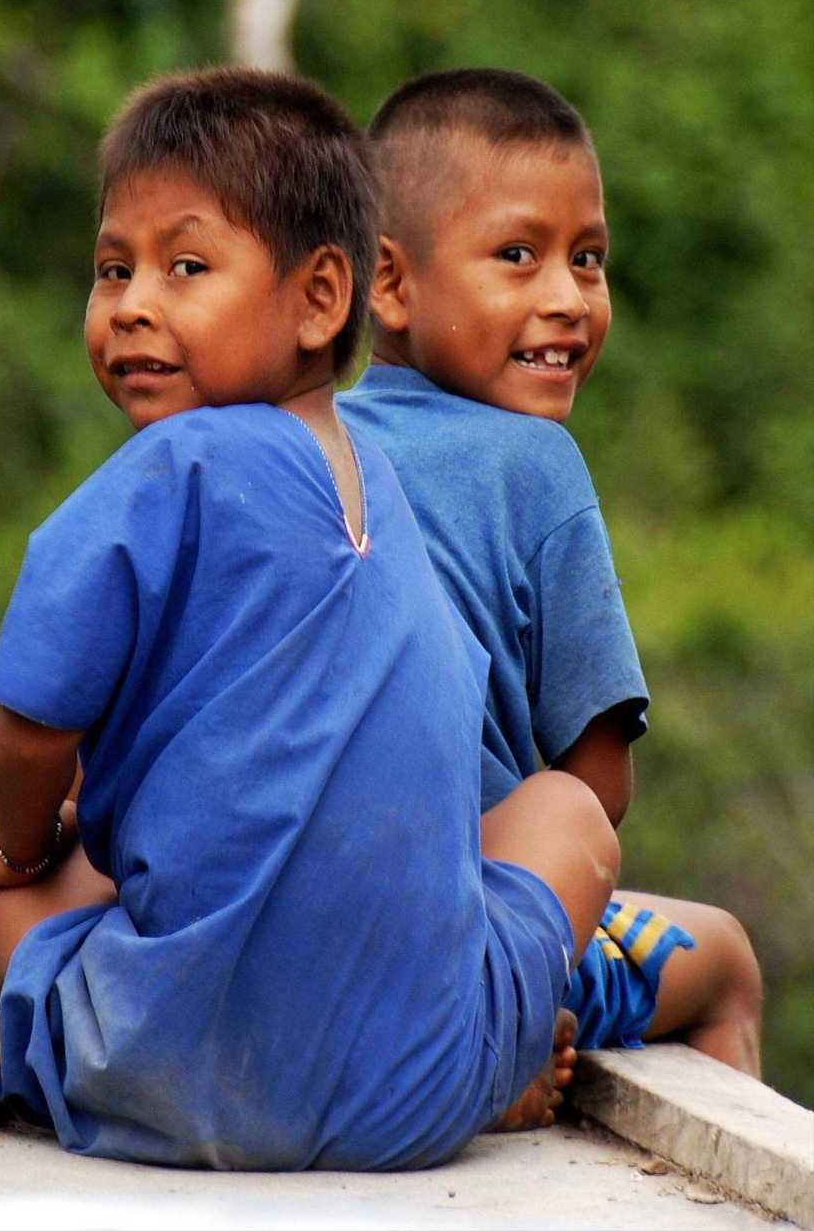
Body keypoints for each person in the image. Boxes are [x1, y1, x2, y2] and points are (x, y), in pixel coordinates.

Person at [0, 67, 619, 1169]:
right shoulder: (385, 482)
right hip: (417, 1089)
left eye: (185, 267)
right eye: (112, 269)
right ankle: (500, 1050)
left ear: (323, 298)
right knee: (565, 813)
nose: (134, 303)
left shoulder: (168, 468)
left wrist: (21, 848)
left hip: (169, 1072)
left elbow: (30, 733)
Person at [338, 68, 762, 1074]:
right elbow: (599, 783)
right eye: (518, 256)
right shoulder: (536, 468)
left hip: (278, 915)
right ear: (389, 284)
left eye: (589, 259)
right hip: (455, 940)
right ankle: (506, 1032)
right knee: (731, 961)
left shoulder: (285, 441)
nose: (568, 299)